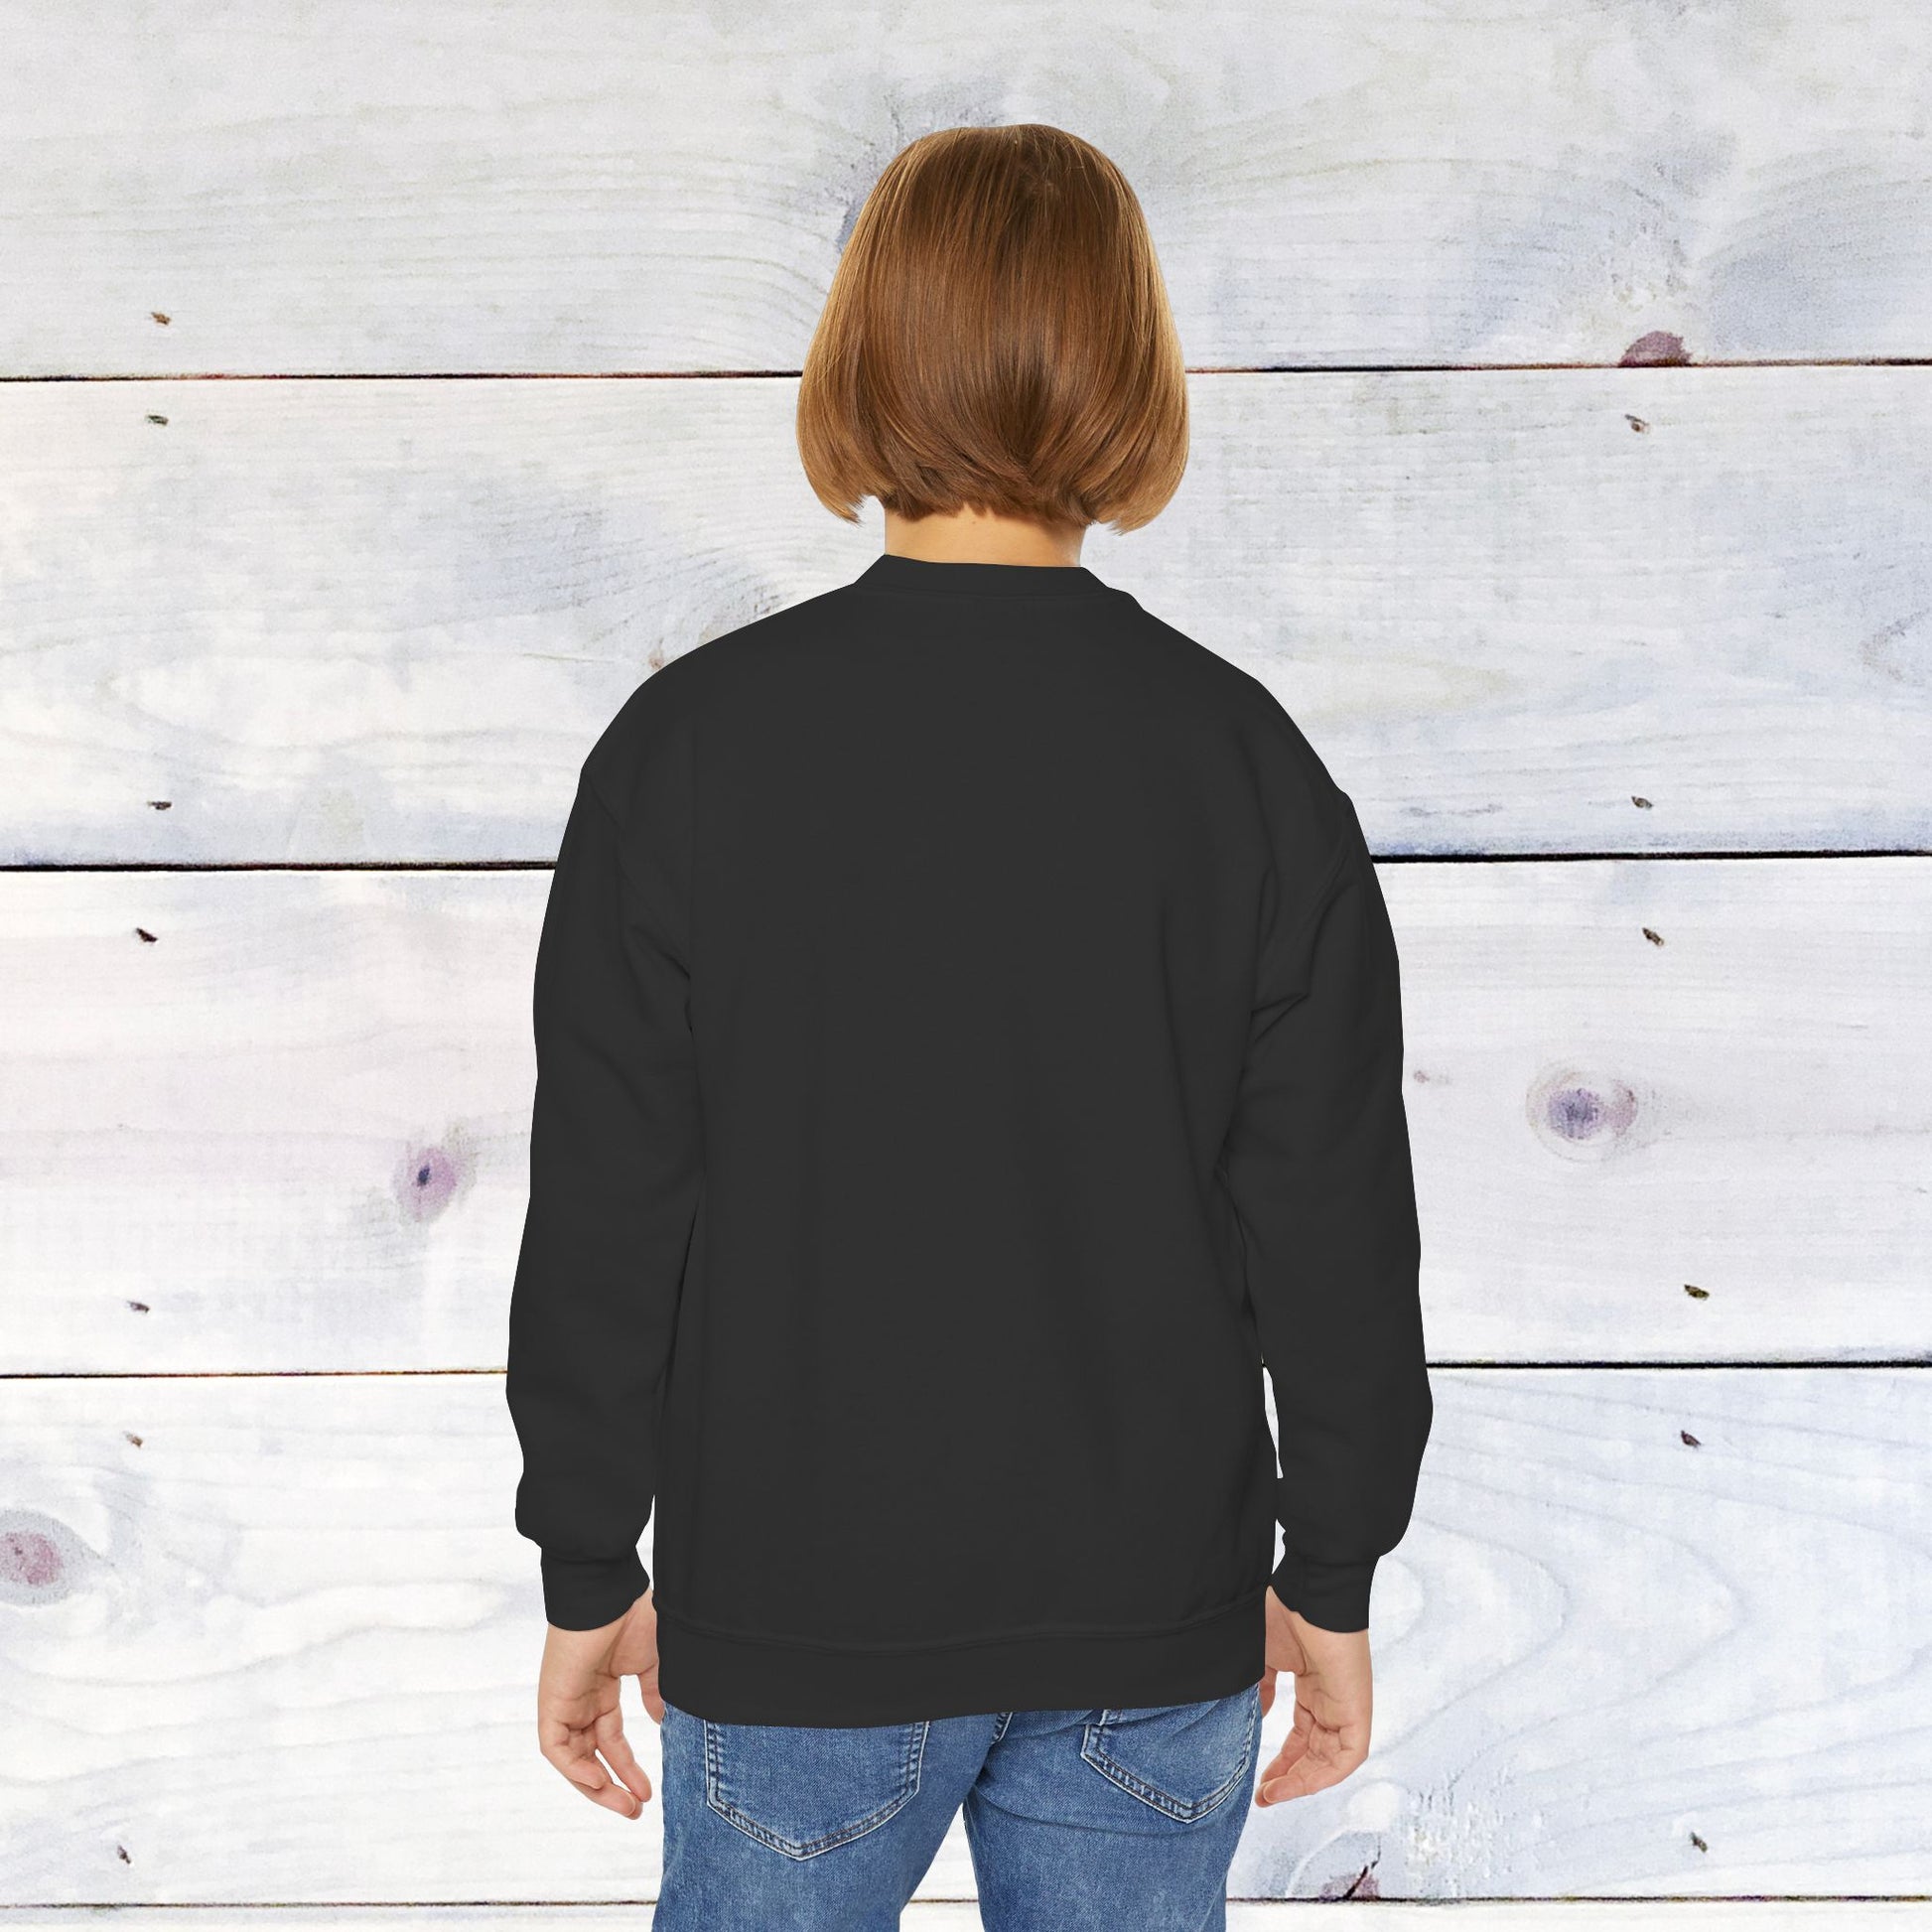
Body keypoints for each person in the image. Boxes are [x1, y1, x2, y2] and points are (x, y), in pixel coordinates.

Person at [504, 122, 1433, 1931]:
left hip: (794, 1617)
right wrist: (1329, 1572)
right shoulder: (1240, 762)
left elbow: (611, 1203)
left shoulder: (688, 752)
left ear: (863, 357)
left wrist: (586, 1560)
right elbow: (1333, 1220)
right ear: (1130, 373)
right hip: (1150, 1621)